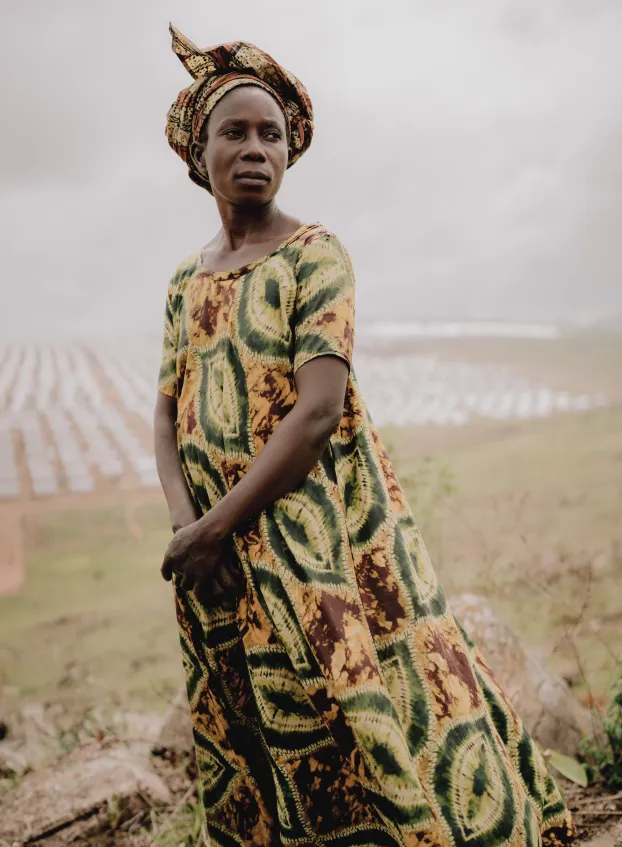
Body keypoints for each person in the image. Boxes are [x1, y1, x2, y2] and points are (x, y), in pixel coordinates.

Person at [154, 25, 575, 847]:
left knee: (354, 696)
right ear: (197, 151)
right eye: (233, 132)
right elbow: (166, 416)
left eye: (270, 134)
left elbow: (315, 413)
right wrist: (186, 528)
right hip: (215, 550)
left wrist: (212, 525)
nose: (253, 148)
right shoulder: (185, 279)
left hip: (315, 538)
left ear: (290, 152)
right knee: (254, 708)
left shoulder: (315, 256)